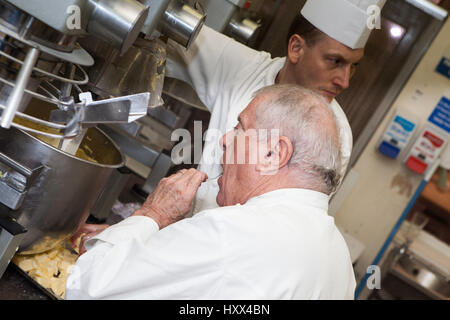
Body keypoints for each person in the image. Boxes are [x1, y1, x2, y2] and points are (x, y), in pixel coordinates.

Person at [65, 85, 356, 300]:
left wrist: (152, 214)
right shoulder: (340, 261)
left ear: (273, 153)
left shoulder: (234, 232)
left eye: (240, 127)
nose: (226, 140)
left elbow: (87, 288)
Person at [165, 0, 386, 214]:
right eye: (335, 62)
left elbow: (290, 220)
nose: (345, 81)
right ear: (296, 47)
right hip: (191, 231)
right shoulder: (244, 70)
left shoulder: (336, 137)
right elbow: (167, 29)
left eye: (353, 66)